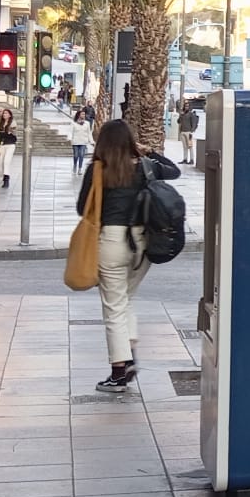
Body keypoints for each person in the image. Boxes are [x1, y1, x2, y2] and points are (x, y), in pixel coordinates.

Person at [77, 120, 181, 393]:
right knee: (126, 299)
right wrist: (149, 152)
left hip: (111, 240)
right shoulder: (144, 167)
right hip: (142, 242)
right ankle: (129, 354)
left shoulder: (98, 170)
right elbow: (174, 171)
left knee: (113, 307)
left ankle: (118, 372)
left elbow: (82, 208)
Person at [69, 101, 93, 174]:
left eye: (84, 114)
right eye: (82, 114)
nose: (83, 115)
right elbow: (71, 131)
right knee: (76, 155)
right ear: (78, 115)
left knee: (82, 155)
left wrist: (91, 141)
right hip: (75, 141)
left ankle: (80, 168)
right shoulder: (74, 123)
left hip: (83, 141)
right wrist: (70, 138)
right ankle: (75, 165)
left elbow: (89, 133)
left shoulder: (87, 123)